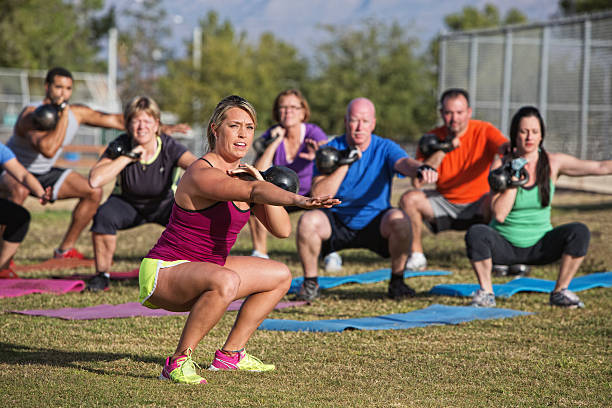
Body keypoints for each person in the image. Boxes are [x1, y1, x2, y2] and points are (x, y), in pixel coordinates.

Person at [138, 95, 339, 384]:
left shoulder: (247, 179)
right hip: (165, 272)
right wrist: (299, 199)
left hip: (208, 268)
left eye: (249, 127)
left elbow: (281, 229)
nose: (243, 134)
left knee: (280, 275)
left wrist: (260, 180)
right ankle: (177, 362)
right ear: (215, 129)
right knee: (225, 280)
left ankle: (230, 355)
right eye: (235, 126)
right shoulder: (200, 173)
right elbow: (251, 193)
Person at [1, 67, 188, 260]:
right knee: (20, 190)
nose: (63, 93)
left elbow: (116, 119)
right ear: (47, 87)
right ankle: (6, 257)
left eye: (68, 88)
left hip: (44, 172)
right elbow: (48, 149)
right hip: (13, 172)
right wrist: (64, 115)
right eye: (58, 87)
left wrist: (159, 127)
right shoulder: (31, 114)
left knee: (93, 191)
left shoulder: (77, 112)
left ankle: (64, 251)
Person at [466, 106, 612, 308]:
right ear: (514, 135)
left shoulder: (553, 163)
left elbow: (600, 167)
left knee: (579, 231)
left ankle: (560, 291)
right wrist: (513, 180)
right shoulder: (501, 163)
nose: (529, 137)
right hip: (505, 246)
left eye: (534, 132)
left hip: (540, 246)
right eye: (523, 131)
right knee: (476, 233)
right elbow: (499, 214)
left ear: (542, 135)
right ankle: (487, 293)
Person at [295, 97, 438, 301]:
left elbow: (405, 163)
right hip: (337, 220)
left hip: (375, 222)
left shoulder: (385, 147)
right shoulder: (330, 149)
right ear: (346, 122)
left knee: (400, 220)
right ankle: (310, 284)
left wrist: (420, 169)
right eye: (354, 120)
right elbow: (318, 195)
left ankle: (397, 282)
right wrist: (345, 164)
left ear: (373, 123)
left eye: (365, 121)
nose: (359, 127)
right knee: (307, 222)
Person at [87, 96, 197, 291]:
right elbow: (95, 180)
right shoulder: (121, 145)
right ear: (128, 125)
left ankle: (191, 272)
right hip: (128, 204)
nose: (141, 126)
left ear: (156, 125)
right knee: (103, 216)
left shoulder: (169, 146)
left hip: (163, 204)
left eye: (147, 121)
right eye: (136, 121)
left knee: (193, 218)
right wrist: (127, 157)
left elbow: (198, 168)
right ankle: (102, 275)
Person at [400, 88, 508, 271]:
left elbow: (506, 149)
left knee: (500, 198)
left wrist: (503, 157)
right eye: (449, 113)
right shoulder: (432, 138)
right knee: (409, 199)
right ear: (441, 113)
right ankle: (417, 256)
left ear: (469, 112)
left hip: (479, 203)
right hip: (445, 202)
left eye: (459, 113)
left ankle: (497, 255)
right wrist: (444, 149)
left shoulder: (484, 130)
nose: (454, 118)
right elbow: (417, 183)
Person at [248, 89, 342, 271]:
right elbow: (258, 172)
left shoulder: (312, 132)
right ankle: (260, 253)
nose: (287, 111)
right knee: (255, 199)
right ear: (277, 112)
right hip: (283, 193)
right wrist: (275, 141)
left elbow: (327, 151)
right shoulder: (272, 134)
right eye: (283, 107)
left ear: (303, 111)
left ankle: (331, 251)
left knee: (326, 199)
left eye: (293, 107)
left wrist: (318, 155)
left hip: (308, 192)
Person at [0, 143, 52, 278]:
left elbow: (22, 175)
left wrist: (41, 193)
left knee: (20, 217)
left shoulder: (2, 150)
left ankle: (2, 269)